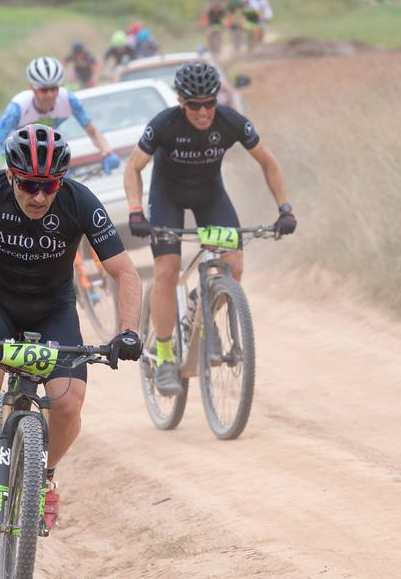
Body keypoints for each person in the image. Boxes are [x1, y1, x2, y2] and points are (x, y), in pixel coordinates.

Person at [0, 124, 143, 545]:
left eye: (49, 186)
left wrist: (128, 331)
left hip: (53, 306)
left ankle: (44, 477)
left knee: (68, 401)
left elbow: (124, 272)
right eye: (29, 185)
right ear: (9, 176)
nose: (39, 197)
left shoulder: (80, 201)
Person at [122, 61, 295, 397]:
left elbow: (268, 161)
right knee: (167, 271)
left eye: (209, 103)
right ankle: (166, 357)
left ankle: (203, 305)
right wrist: (135, 211)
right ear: (181, 101)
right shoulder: (164, 124)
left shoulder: (230, 121)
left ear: (217, 99)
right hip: (167, 196)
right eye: (194, 105)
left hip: (209, 196)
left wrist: (285, 209)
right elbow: (133, 168)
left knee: (235, 265)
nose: (203, 112)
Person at [0, 57, 120, 176]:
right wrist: (0, 180)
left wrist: (107, 151)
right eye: (44, 89)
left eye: (54, 88)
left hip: (43, 147)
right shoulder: (18, 108)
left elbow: (93, 132)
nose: (50, 94)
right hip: (14, 151)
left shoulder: (69, 100)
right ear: (32, 88)